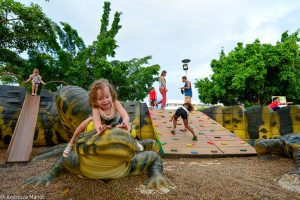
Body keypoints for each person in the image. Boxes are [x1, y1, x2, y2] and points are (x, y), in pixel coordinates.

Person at [63, 79, 143, 157]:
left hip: (116, 122)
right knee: (84, 124)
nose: (105, 101)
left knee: (129, 126)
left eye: (107, 97)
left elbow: (125, 115)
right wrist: (99, 129)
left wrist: (124, 123)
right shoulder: (96, 108)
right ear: (95, 100)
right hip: (101, 123)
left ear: (112, 95)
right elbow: (97, 122)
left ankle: (132, 141)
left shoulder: (115, 102)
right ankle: (71, 143)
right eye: (100, 99)